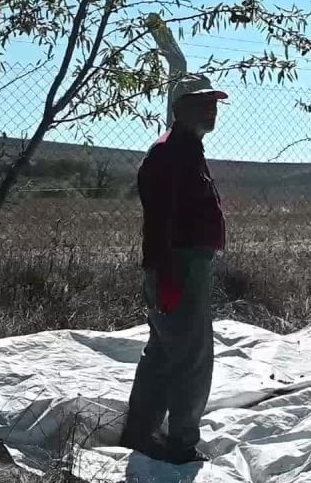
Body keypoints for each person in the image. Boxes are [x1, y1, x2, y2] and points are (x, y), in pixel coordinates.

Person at [119, 73, 227, 464]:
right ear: (179, 109)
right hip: (179, 265)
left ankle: (140, 432)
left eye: (214, 101)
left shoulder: (187, 149)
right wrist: (166, 277)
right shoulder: (169, 154)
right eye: (202, 102)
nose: (211, 108)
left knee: (164, 352)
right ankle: (181, 445)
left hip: (183, 264)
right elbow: (159, 221)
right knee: (192, 356)